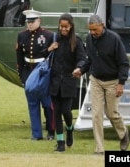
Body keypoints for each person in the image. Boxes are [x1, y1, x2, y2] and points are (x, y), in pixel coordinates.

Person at [72, 14, 130, 154]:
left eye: (95, 30)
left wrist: (121, 83)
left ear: (102, 26)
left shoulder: (114, 39)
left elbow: (124, 63)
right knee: (96, 114)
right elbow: (89, 60)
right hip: (96, 80)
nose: (92, 33)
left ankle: (123, 134)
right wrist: (81, 69)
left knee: (112, 113)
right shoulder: (89, 39)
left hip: (112, 81)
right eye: (90, 30)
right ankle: (100, 149)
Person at [47, 13, 86, 152]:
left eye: (66, 27)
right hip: (55, 81)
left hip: (69, 81)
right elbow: (43, 55)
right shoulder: (54, 39)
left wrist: (79, 68)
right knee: (56, 112)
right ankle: (60, 143)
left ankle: (70, 129)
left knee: (66, 111)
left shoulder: (77, 41)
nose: (63, 29)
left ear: (71, 26)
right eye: (61, 26)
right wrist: (49, 49)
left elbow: (82, 58)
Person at [16, 9, 55, 140]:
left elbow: (51, 56)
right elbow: (19, 57)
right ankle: (36, 134)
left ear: (39, 21)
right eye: (28, 22)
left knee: (47, 105)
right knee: (32, 105)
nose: (30, 24)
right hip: (28, 71)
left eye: (33, 21)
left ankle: (50, 131)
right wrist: (22, 76)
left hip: (42, 73)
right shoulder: (22, 36)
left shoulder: (48, 35)